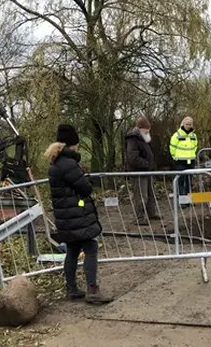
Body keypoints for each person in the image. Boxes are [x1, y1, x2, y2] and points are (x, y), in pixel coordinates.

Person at [45, 124, 112, 304]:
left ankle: (72, 288)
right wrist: (87, 179)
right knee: (90, 248)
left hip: (66, 216)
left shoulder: (56, 162)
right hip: (77, 214)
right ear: (72, 144)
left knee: (73, 250)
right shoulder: (68, 163)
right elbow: (84, 187)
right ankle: (92, 290)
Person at [125, 116, 159, 221]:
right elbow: (132, 158)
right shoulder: (133, 139)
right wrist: (147, 164)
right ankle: (140, 217)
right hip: (138, 172)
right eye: (146, 129)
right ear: (140, 128)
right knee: (141, 195)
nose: (148, 131)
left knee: (150, 193)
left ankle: (151, 213)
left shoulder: (144, 137)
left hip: (147, 170)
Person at [169, 116, 198, 197]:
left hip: (191, 161)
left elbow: (195, 146)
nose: (188, 126)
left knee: (189, 181)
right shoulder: (177, 135)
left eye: (190, 124)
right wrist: (175, 157)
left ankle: (188, 199)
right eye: (187, 124)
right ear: (183, 124)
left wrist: (193, 154)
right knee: (180, 181)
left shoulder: (194, 135)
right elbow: (172, 147)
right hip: (180, 161)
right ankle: (182, 200)